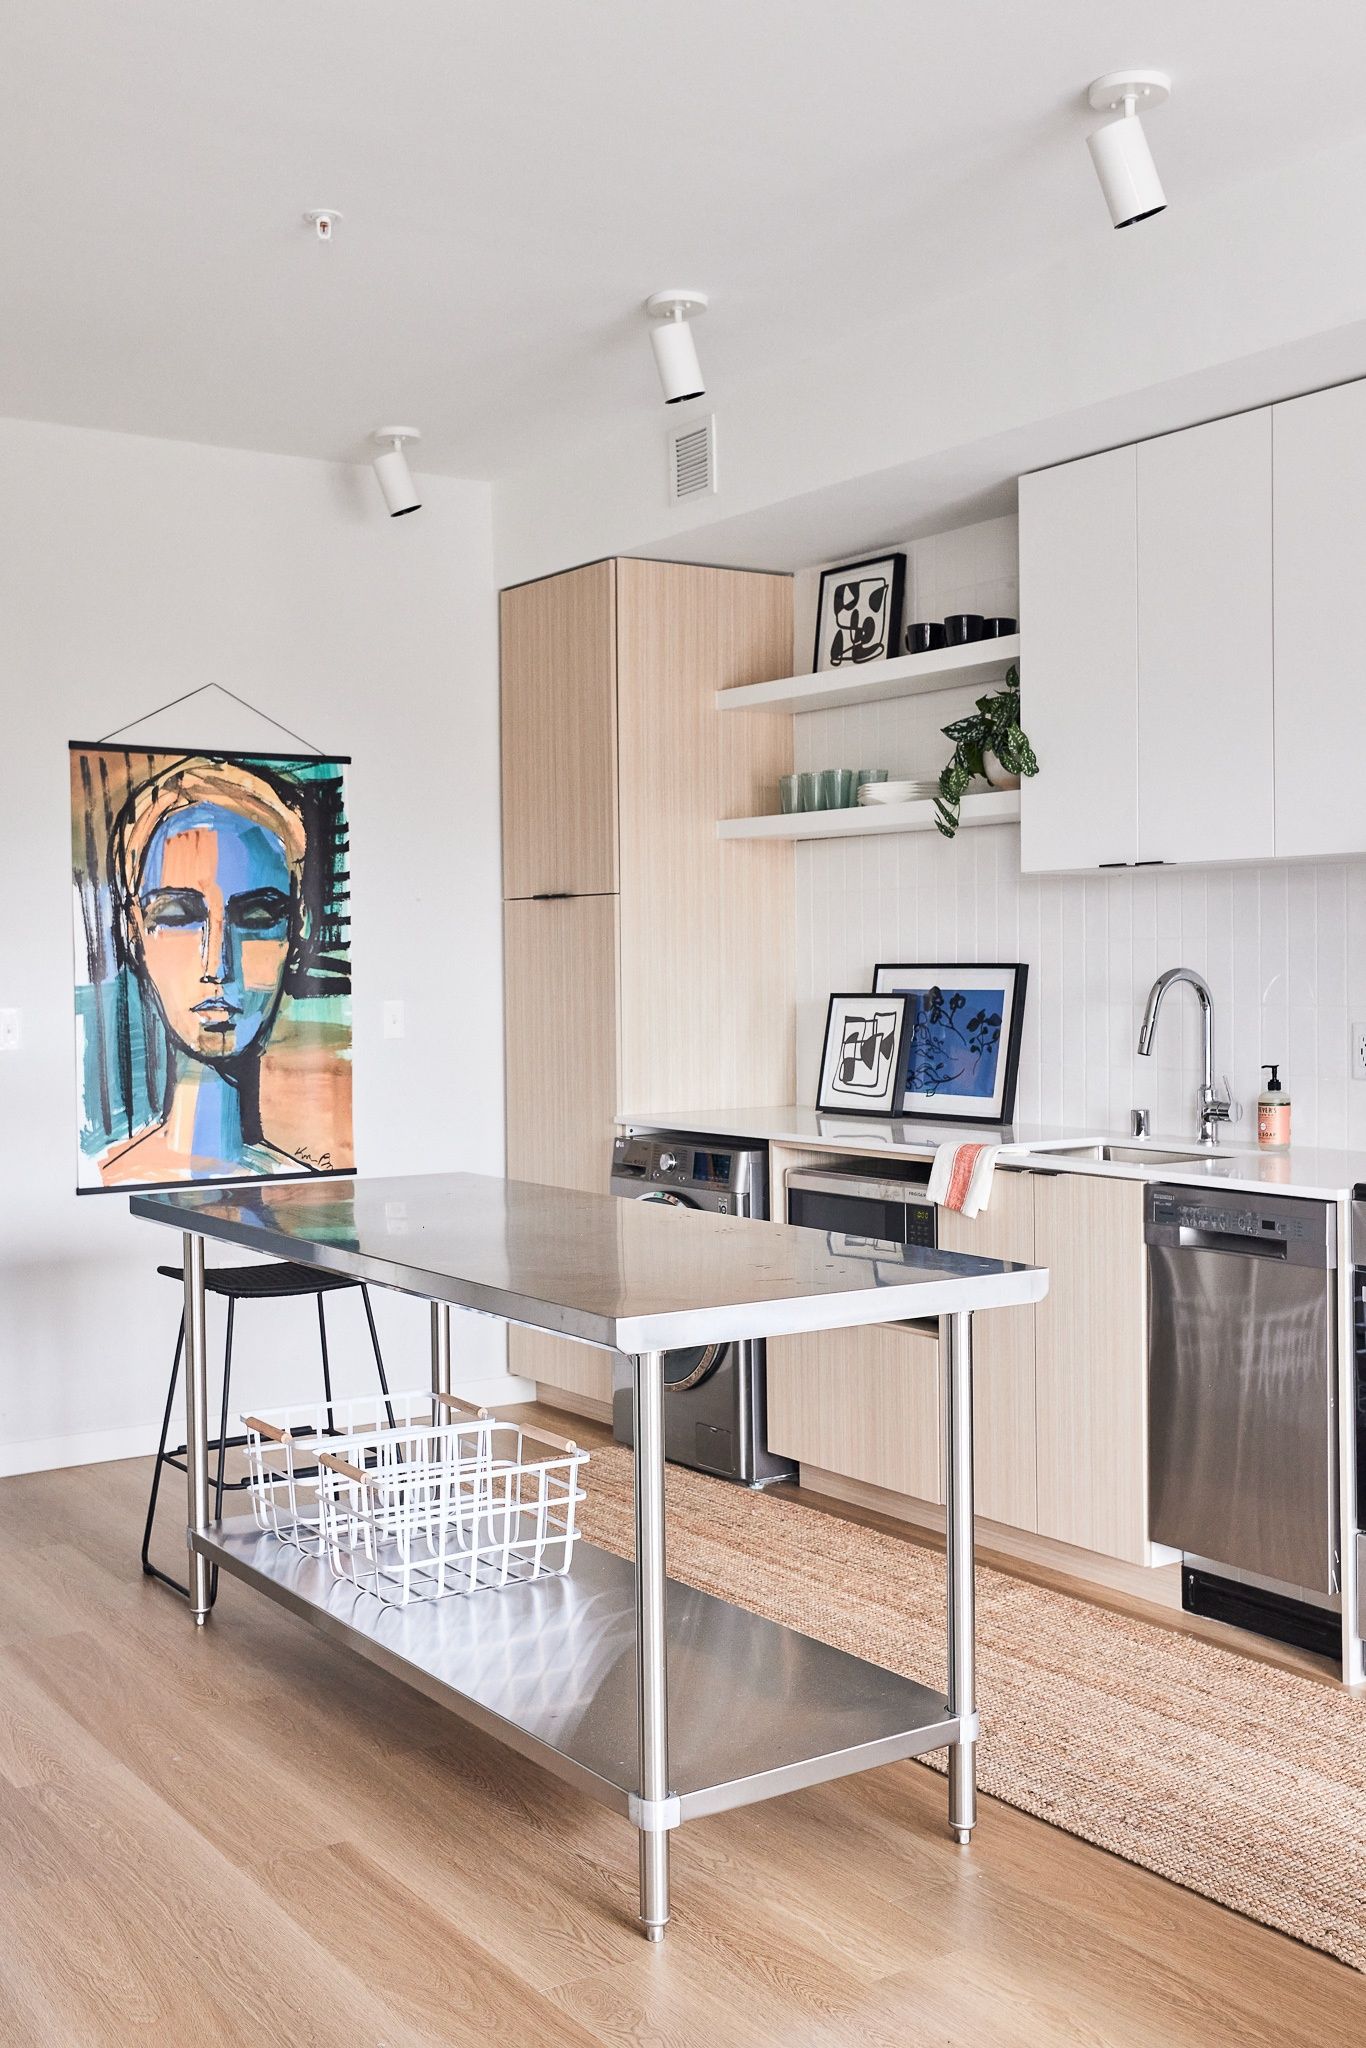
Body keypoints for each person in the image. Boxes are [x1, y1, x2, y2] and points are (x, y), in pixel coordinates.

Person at [97, 755, 317, 1185]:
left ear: (297, 930)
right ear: (132, 933)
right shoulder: (109, 1179)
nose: (217, 964)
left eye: (256, 917)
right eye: (178, 915)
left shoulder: (302, 1188)